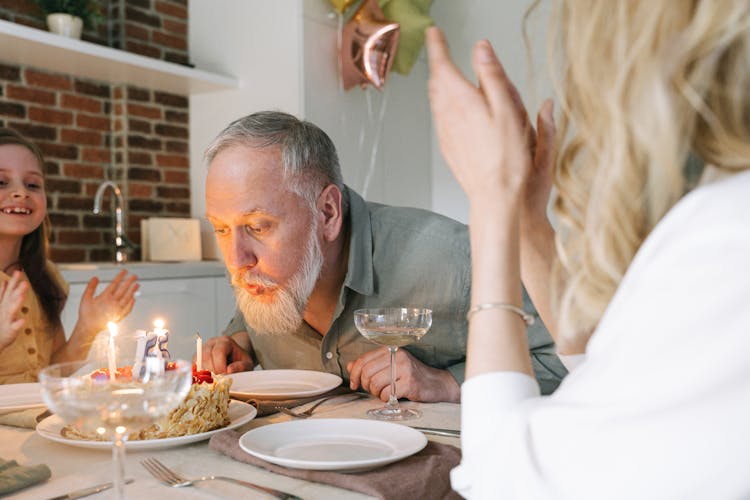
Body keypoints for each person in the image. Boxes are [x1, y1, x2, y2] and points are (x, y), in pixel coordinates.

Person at [425, 0, 750, 497]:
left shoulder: (727, 237)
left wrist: (491, 202)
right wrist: (528, 222)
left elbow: (505, 479)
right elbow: (611, 377)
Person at [200, 111, 566, 403]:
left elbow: (566, 361)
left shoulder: (451, 260)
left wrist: (449, 384)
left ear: (327, 213)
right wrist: (235, 346)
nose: (236, 259)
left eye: (258, 227)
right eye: (221, 229)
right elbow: (244, 329)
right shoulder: (262, 276)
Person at [0, 128, 140, 384]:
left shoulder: (45, 276)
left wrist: (87, 327)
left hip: (37, 417)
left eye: (33, 184)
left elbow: (53, 372)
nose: (21, 192)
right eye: (1, 182)